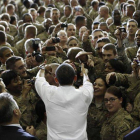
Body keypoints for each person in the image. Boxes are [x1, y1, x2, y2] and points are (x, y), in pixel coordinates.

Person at [35, 63, 93, 140]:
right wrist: (85, 73)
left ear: (56, 79)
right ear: (75, 78)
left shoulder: (49, 93)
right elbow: (88, 83)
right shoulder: (84, 94)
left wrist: (42, 68)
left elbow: (39, 79)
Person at [87, 75, 108, 140]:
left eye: (100, 85)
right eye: (94, 84)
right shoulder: (87, 101)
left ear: (106, 88)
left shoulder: (109, 105)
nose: (95, 87)